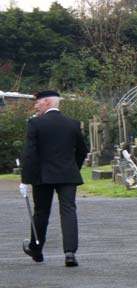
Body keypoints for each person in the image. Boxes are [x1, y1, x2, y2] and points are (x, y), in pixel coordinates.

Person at [20, 90, 89, 267]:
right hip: (68, 174)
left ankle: (36, 248)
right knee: (68, 211)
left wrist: (25, 179)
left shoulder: (35, 123)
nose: (36, 106)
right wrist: (73, 167)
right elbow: (82, 150)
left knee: (41, 212)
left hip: (43, 175)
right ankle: (70, 252)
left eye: (38, 102)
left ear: (47, 103)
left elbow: (29, 153)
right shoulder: (73, 124)